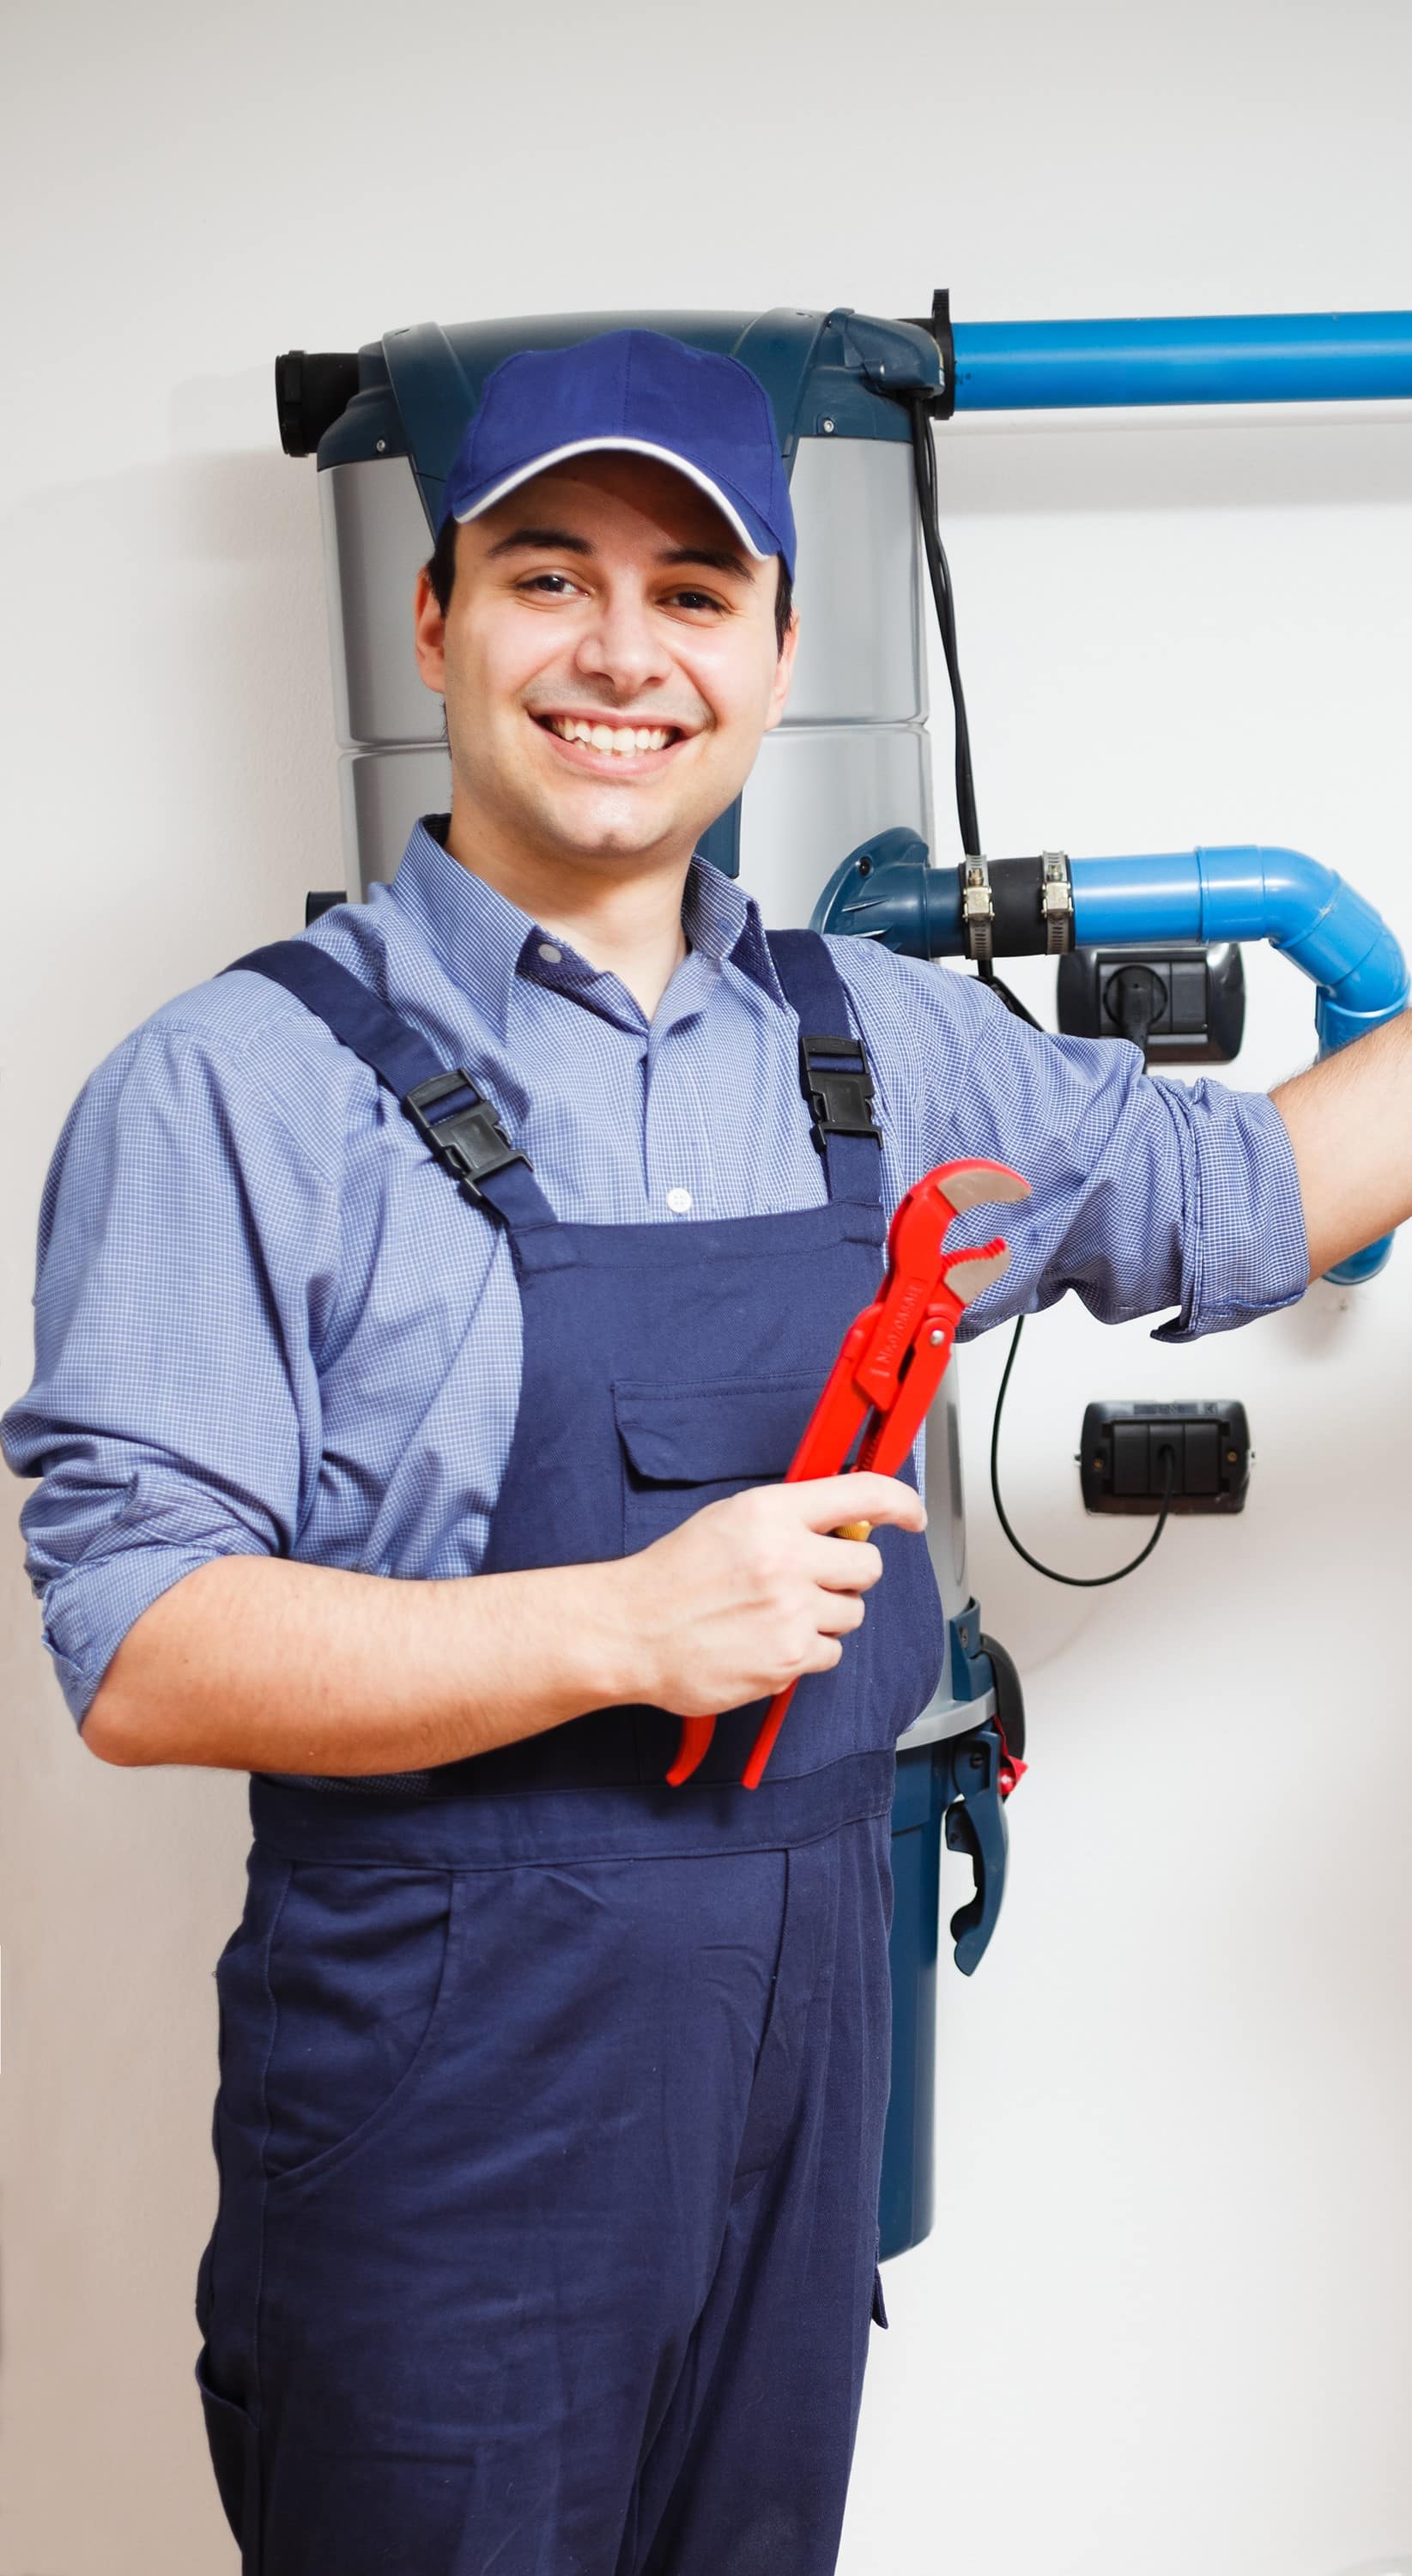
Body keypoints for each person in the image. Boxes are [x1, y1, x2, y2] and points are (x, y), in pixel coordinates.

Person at [3, 326, 1409, 2576]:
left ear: (773, 648)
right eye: (550, 576)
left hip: (787, 2081)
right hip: (443, 2137)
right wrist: (631, 1624)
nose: (621, 652)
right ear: (436, 615)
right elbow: (141, 1647)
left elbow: (1248, 1192)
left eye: (692, 590)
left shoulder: (885, 1041)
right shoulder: (237, 1092)